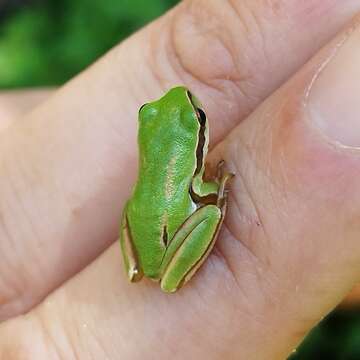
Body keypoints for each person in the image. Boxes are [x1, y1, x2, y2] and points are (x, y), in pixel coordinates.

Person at [1, 1, 360, 358]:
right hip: (172, 228)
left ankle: (148, 260)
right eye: (200, 120)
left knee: (140, 204)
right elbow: (200, 190)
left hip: (140, 240)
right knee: (213, 211)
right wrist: (215, 193)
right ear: (200, 136)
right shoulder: (197, 163)